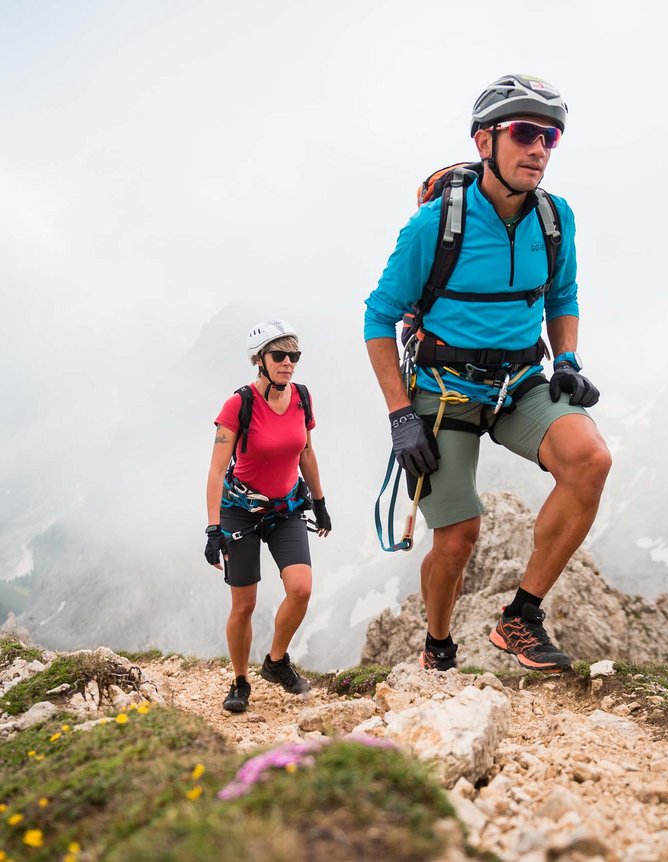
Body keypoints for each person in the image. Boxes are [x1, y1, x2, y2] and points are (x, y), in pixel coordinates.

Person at [364, 74, 611, 673]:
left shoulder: (555, 218)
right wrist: (401, 417)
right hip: (444, 390)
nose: (540, 148)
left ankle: (520, 618)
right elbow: (378, 317)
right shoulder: (435, 224)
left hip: (519, 382)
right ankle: (439, 646)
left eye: (550, 136)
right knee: (458, 536)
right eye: (525, 133)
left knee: (590, 460)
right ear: (484, 141)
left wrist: (569, 359)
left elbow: (562, 293)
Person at [204, 319, 331, 713]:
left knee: (301, 588)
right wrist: (213, 528)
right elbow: (214, 470)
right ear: (259, 360)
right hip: (240, 512)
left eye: (294, 356)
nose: (289, 363)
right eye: (280, 355)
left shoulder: (302, 398)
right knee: (244, 605)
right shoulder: (238, 404)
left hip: (286, 509)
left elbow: (306, 452)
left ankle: (276, 662)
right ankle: (240, 682)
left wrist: (321, 501)